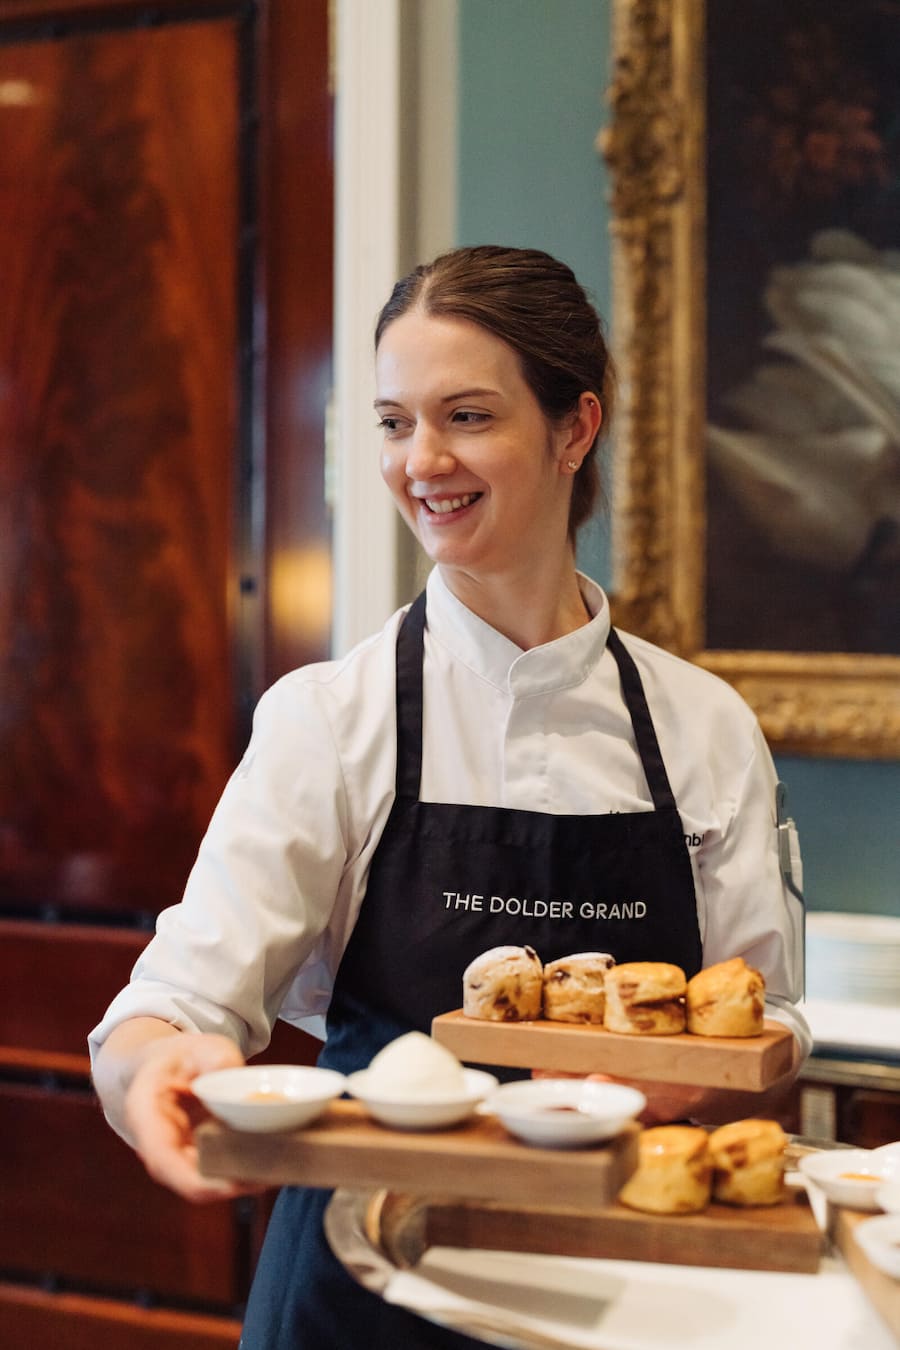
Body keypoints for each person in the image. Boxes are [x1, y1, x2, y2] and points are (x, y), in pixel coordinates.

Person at [90, 245, 809, 1347]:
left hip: (626, 1291)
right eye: (393, 422)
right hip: (364, 1289)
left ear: (575, 428)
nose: (421, 461)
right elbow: (170, 1008)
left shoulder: (703, 727)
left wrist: (674, 1086)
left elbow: (768, 1027)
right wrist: (156, 1069)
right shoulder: (329, 719)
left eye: (466, 416)